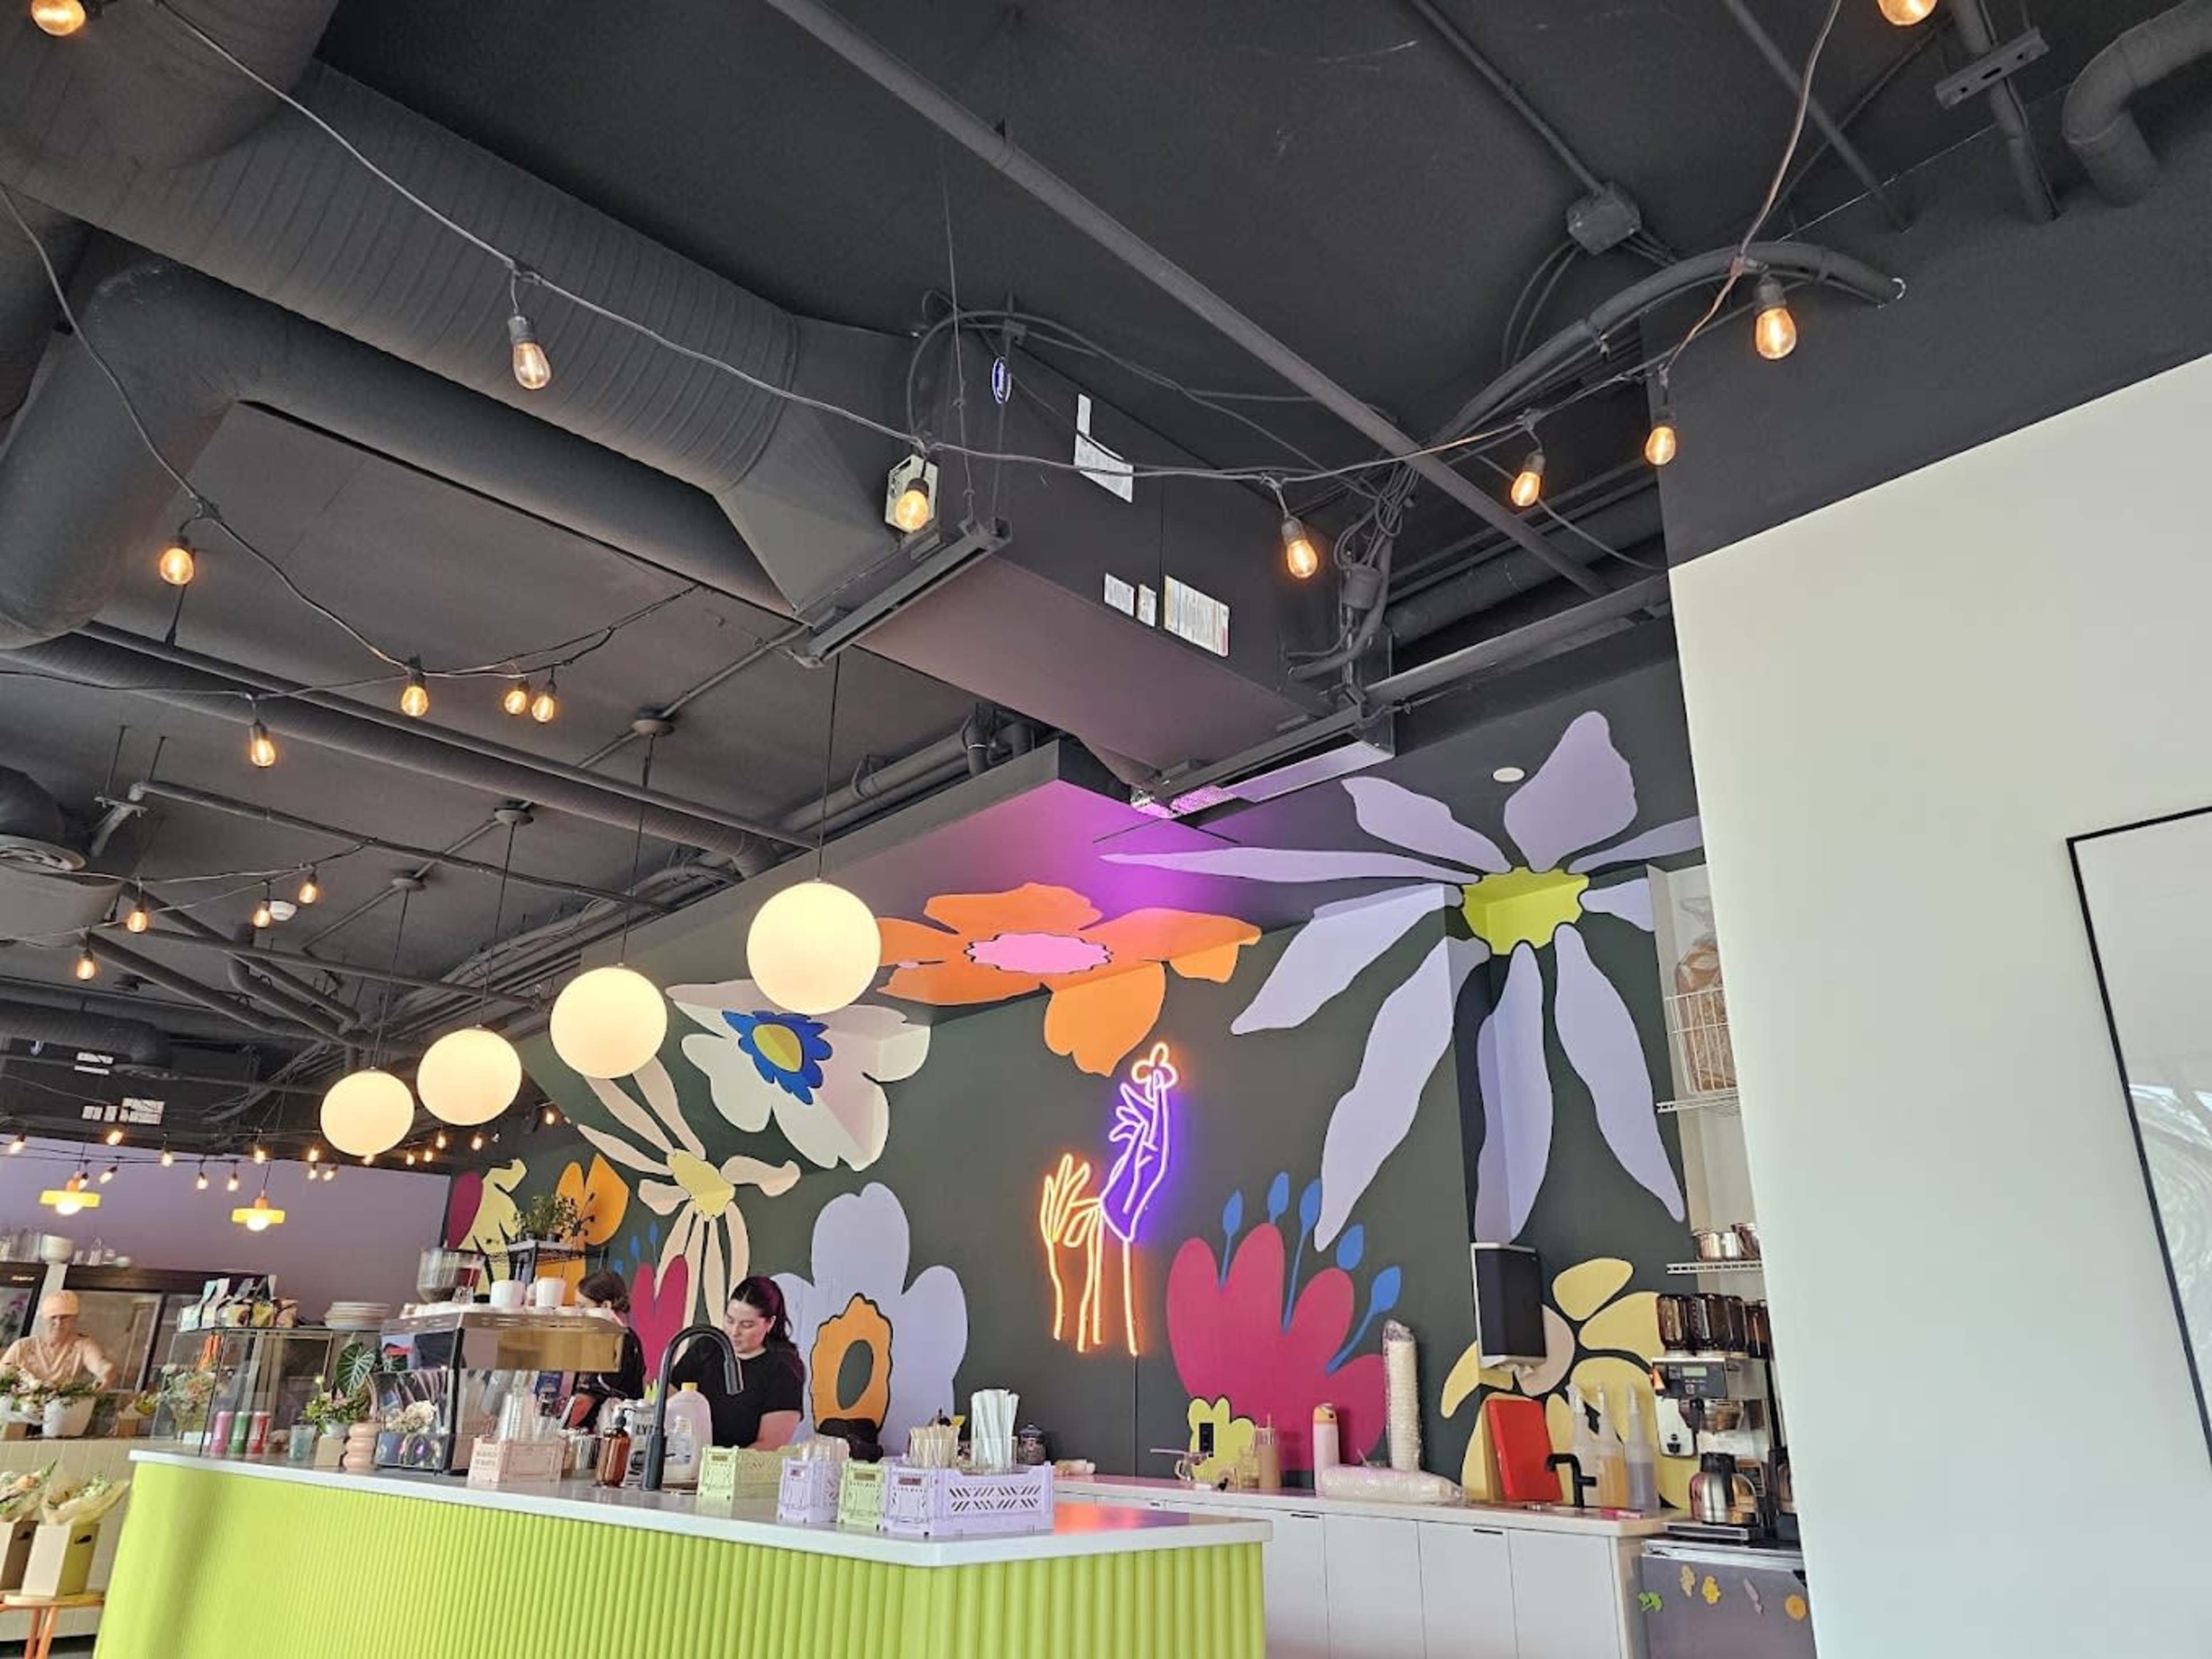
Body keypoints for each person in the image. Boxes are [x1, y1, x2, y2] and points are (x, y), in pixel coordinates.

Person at [668, 1276, 804, 1449]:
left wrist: (720, 1469)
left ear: (769, 1323)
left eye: (747, 1325)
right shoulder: (707, 1348)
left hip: (739, 1468)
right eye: (730, 1320)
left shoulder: (783, 1368)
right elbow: (669, 1401)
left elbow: (770, 1444)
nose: (734, 1332)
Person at [567, 1268, 647, 1430]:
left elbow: (583, 1405)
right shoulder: (629, 1337)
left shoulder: (611, 1341)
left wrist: (549, 1430)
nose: (579, 1314)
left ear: (605, 1306)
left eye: (583, 1307)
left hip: (600, 1438)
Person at [1, 1291, 118, 1389]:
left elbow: (100, 1364)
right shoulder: (22, 1346)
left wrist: (106, 1373)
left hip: (62, 1412)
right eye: (53, 1317)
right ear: (44, 1319)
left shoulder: (83, 1345)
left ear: (74, 1319)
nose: (58, 1323)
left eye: (65, 1317)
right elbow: (2, 1375)